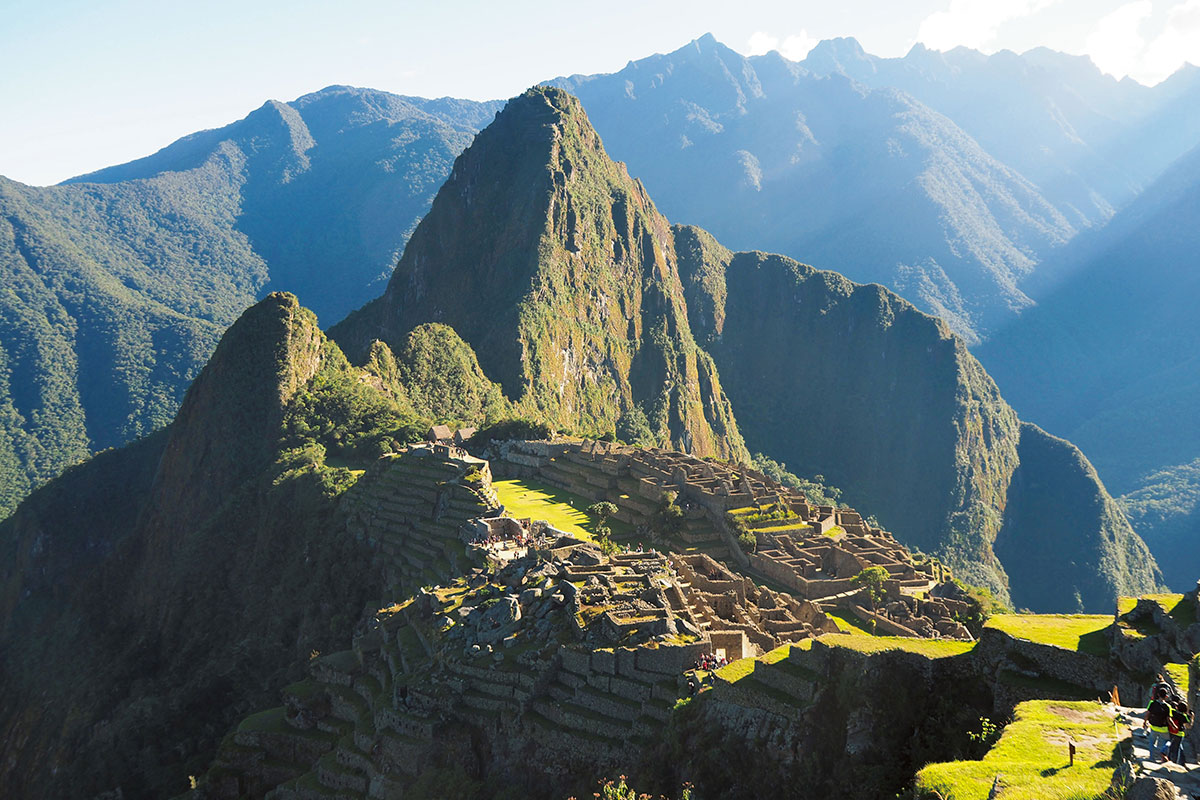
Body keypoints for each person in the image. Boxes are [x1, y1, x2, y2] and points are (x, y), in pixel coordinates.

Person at [1145, 687, 1173, 762]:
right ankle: (1163, 755)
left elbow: (1148, 713)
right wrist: (1174, 726)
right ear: (1166, 696)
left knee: (1152, 742)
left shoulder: (1152, 703)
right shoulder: (1168, 706)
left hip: (1153, 726)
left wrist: (1145, 722)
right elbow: (1168, 719)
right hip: (1164, 728)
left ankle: (1151, 758)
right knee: (1167, 741)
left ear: (1158, 694)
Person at [1169, 699, 1193, 765]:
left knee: (1172, 746)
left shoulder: (1173, 712)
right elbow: (1189, 726)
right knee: (1177, 749)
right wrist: (1191, 717)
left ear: (1177, 707)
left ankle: (1170, 758)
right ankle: (1176, 762)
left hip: (1171, 731)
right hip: (1179, 734)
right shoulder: (1184, 717)